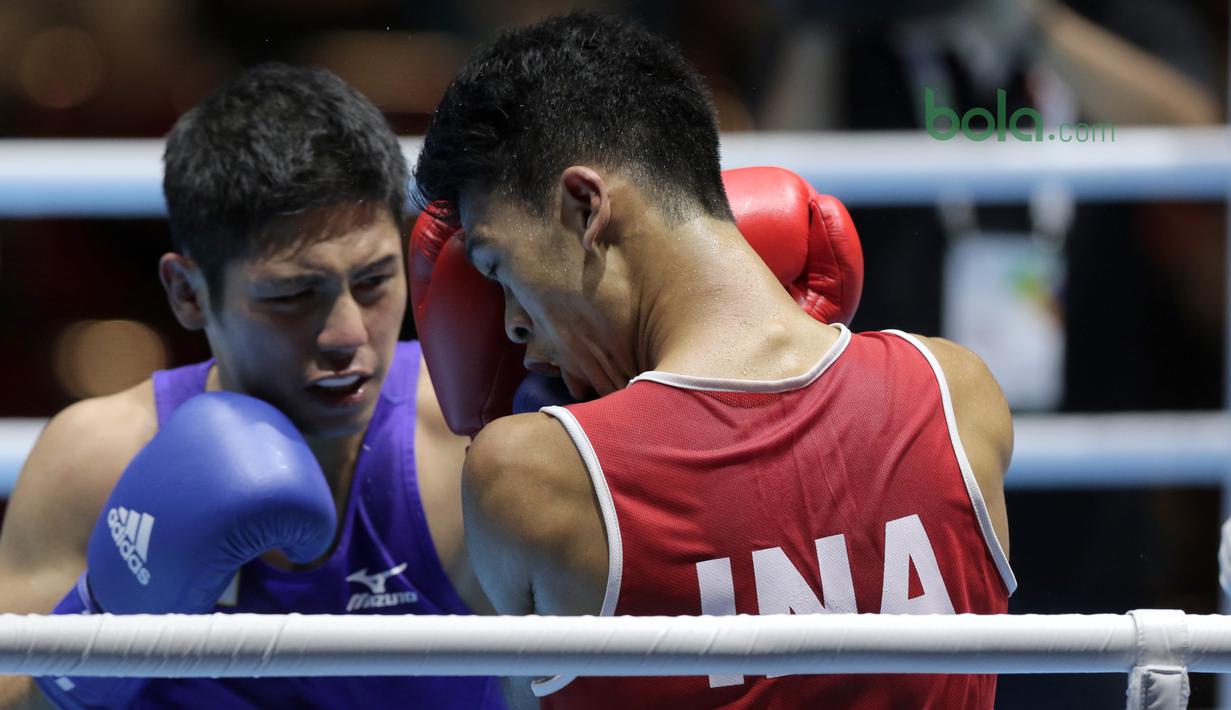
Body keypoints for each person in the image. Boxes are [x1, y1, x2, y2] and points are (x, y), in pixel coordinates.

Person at [414, 12, 1015, 709]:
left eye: (499, 265)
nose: (513, 324)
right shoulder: (955, 395)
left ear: (584, 206)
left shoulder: (532, 474)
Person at [0, 63, 503, 709]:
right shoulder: (96, 462)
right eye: (293, 295)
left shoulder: (470, 450)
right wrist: (106, 614)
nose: (346, 334)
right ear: (187, 292)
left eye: (374, 282)